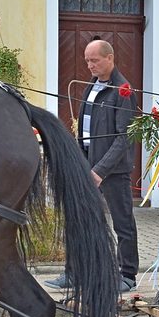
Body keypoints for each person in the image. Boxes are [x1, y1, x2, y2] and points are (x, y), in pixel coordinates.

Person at [45, 39, 139, 293]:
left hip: (112, 171)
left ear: (110, 58)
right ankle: (75, 273)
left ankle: (127, 274)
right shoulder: (91, 87)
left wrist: (100, 171)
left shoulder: (124, 91)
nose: (89, 65)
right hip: (88, 164)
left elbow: (124, 138)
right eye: (87, 60)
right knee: (81, 218)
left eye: (94, 60)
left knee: (123, 223)